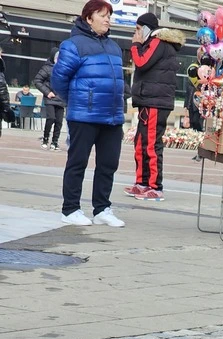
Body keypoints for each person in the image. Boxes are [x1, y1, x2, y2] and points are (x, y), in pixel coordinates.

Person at [52, 0, 126, 228]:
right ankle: (70, 209)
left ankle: (102, 209)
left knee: (108, 164)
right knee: (77, 162)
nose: (107, 20)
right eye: (102, 15)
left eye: (109, 16)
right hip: (84, 116)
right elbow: (58, 80)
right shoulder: (73, 45)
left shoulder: (114, 47)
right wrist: (78, 100)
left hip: (112, 117)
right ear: (88, 18)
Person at [125, 13, 184, 202]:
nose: (136, 33)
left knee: (150, 144)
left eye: (138, 29)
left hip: (155, 102)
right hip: (148, 100)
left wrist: (135, 45)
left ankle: (155, 186)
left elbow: (141, 62)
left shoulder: (158, 42)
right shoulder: (154, 43)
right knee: (140, 142)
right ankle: (142, 183)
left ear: (147, 28)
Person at [34, 49, 66, 150]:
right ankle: (45, 138)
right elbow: (37, 81)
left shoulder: (65, 68)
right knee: (51, 118)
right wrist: (47, 92)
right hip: (50, 98)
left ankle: (55, 142)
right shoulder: (47, 68)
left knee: (59, 122)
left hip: (61, 99)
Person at [183, 76, 203, 162]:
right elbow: (187, 95)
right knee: (194, 125)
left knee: (197, 123)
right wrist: (185, 106)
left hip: (198, 108)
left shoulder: (200, 84)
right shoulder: (190, 84)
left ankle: (201, 150)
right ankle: (198, 151)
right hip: (190, 107)